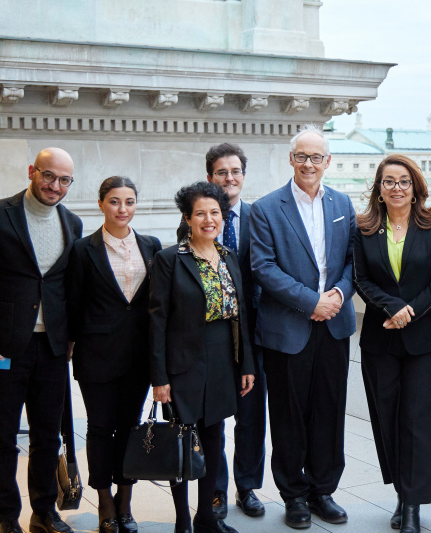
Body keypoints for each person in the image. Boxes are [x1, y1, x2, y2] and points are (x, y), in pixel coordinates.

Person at [0, 148, 82, 533]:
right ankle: (7, 517)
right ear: (32, 172)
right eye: (48, 176)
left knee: (48, 435)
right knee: (3, 437)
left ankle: (44, 511)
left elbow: (68, 287)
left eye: (64, 180)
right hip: (3, 348)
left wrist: (71, 336)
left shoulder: (72, 223)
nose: (55, 186)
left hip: (52, 349)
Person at [250, 124, 356, 529]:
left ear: (327, 162)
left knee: (329, 411)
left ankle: (322, 490)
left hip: (334, 325)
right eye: (301, 156)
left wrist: (337, 298)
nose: (308, 164)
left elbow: (351, 261)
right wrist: (310, 301)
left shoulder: (343, 203)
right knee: (289, 414)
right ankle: (294, 495)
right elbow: (263, 268)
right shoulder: (265, 209)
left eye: (316, 157)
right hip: (287, 328)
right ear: (290, 160)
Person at [353, 155, 431, 533]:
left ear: (416, 188)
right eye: (389, 181)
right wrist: (392, 307)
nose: (397, 187)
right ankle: (400, 491)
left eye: (404, 181)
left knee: (419, 422)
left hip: (426, 341)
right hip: (380, 339)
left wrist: (410, 311)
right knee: (388, 418)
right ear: (379, 189)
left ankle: (412, 504)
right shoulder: (363, 228)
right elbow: (361, 279)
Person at [150, 181, 255, 533]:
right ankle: (182, 520)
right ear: (187, 218)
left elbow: (241, 316)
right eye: (200, 213)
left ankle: (206, 517)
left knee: (214, 438)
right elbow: (157, 321)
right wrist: (160, 377)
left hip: (224, 359)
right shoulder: (169, 260)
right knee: (182, 441)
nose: (209, 219)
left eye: (215, 212)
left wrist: (247, 366)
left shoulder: (228, 257)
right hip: (183, 364)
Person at [67, 176, 162, 533]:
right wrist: (70, 344)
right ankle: (104, 501)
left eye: (129, 202)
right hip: (96, 354)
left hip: (139, 355)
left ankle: (126, 500)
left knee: (130, 428)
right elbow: (74, 302)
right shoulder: (83, 249)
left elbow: (157, 303)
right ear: (101, 203)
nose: (123, 209)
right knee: (100, 427)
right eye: (114, 201)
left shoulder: (151, 246)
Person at [176, 143, 266, 520]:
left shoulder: (261, 215)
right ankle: (215, 492)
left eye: (235, 171)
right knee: (213, 419)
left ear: (244, 175)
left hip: (254, 333)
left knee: (251, 415)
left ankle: (247, 487)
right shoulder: (195, 221)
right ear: (210, 177)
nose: (230, 178)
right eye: (221, 172)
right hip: (209, 340)